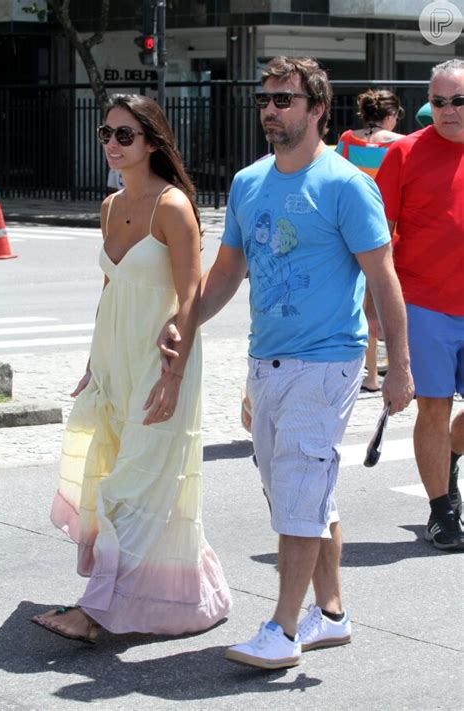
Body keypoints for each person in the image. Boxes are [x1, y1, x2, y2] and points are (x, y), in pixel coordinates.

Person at [159, 57, 414, 669]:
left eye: (284, 99)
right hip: (267, 360)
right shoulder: (249, 183)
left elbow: (384, 279)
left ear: (318, 108)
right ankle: (330, 615)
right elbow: (226, 273)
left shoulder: (347, 185)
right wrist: (184, 320)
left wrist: (400, 367)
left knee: (300, 488)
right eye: (264, 98)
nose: (270, 109)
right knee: (300, 493)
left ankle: (281, 630)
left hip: (326, 362)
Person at [31, 94, 232, 643]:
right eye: (106, 133)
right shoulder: (108, 205)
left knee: (133, 486)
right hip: (115, 364)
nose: (112, 145)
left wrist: (173, 377)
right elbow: (109, 289)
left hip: (159, 363)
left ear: (151, 142)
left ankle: (97, 611)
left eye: (125, 135)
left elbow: (190, 297)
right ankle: (186, 593)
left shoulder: (172, 206)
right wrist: (92, 365)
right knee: (116, 474)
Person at [376, 58, 464, 552]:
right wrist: (376, 309)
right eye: (439, 101)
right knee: (433, 406)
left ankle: (450, 451)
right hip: (425, 304)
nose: (448, 110)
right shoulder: (405, 154)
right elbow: (376, 239)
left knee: (450, 424)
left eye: (458, 101)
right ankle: (442, 512)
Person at [336, 89, 405, 393]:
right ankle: (397, 363)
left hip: (352, 224)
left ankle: (371, 375)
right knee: (390, 294)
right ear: (390, 116)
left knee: (363, 297)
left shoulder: (347, 139)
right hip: (389, 225)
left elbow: (335, 176)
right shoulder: (401, 144)